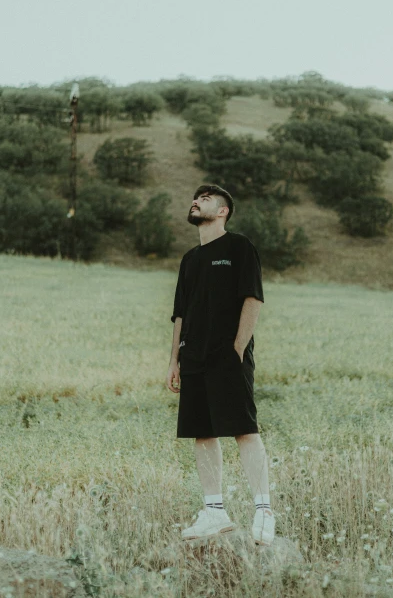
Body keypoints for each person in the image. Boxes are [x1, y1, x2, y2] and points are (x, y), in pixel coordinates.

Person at [165, 184, 275, 546]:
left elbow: (253, 298)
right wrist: (174, 361)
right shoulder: (189, 259)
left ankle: (264, 512)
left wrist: (237, 348)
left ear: (224, 211)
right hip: (193, 356)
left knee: (244, 428)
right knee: (202, 433)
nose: (195, 201)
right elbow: (179, 314)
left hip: (227, 354)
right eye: (194, 197)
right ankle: (215, 512)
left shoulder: (239, 247)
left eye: (206, 199)